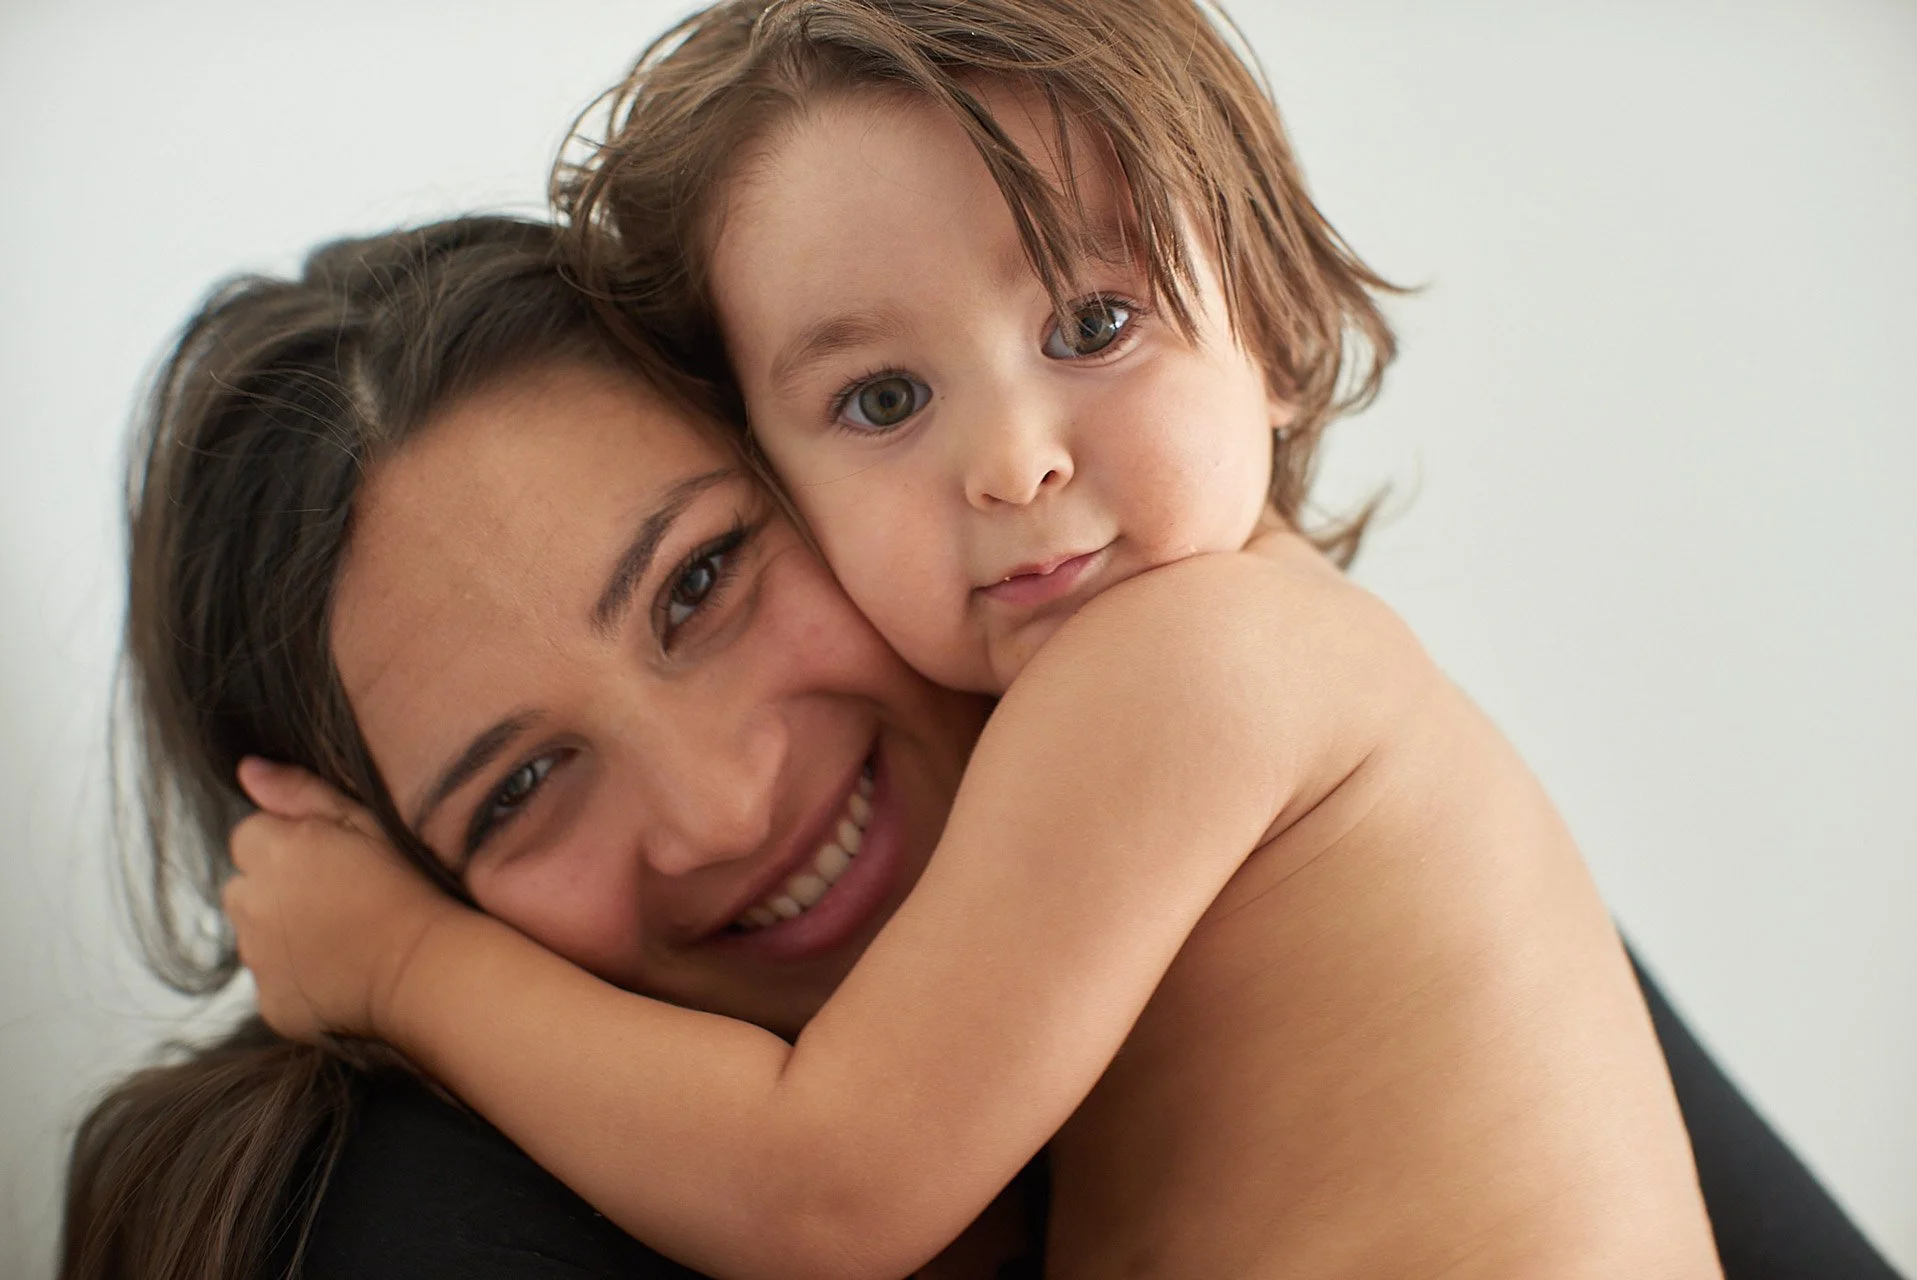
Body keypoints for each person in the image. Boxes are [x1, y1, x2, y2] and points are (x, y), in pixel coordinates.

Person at [199, 4, 1766, 1279]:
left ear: (1281, 324)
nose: (1012, 462)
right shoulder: (1230, 687)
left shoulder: (1189, 669)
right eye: (884, 400)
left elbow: (823, 1188)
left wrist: (401, 965)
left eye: (1092, 325)